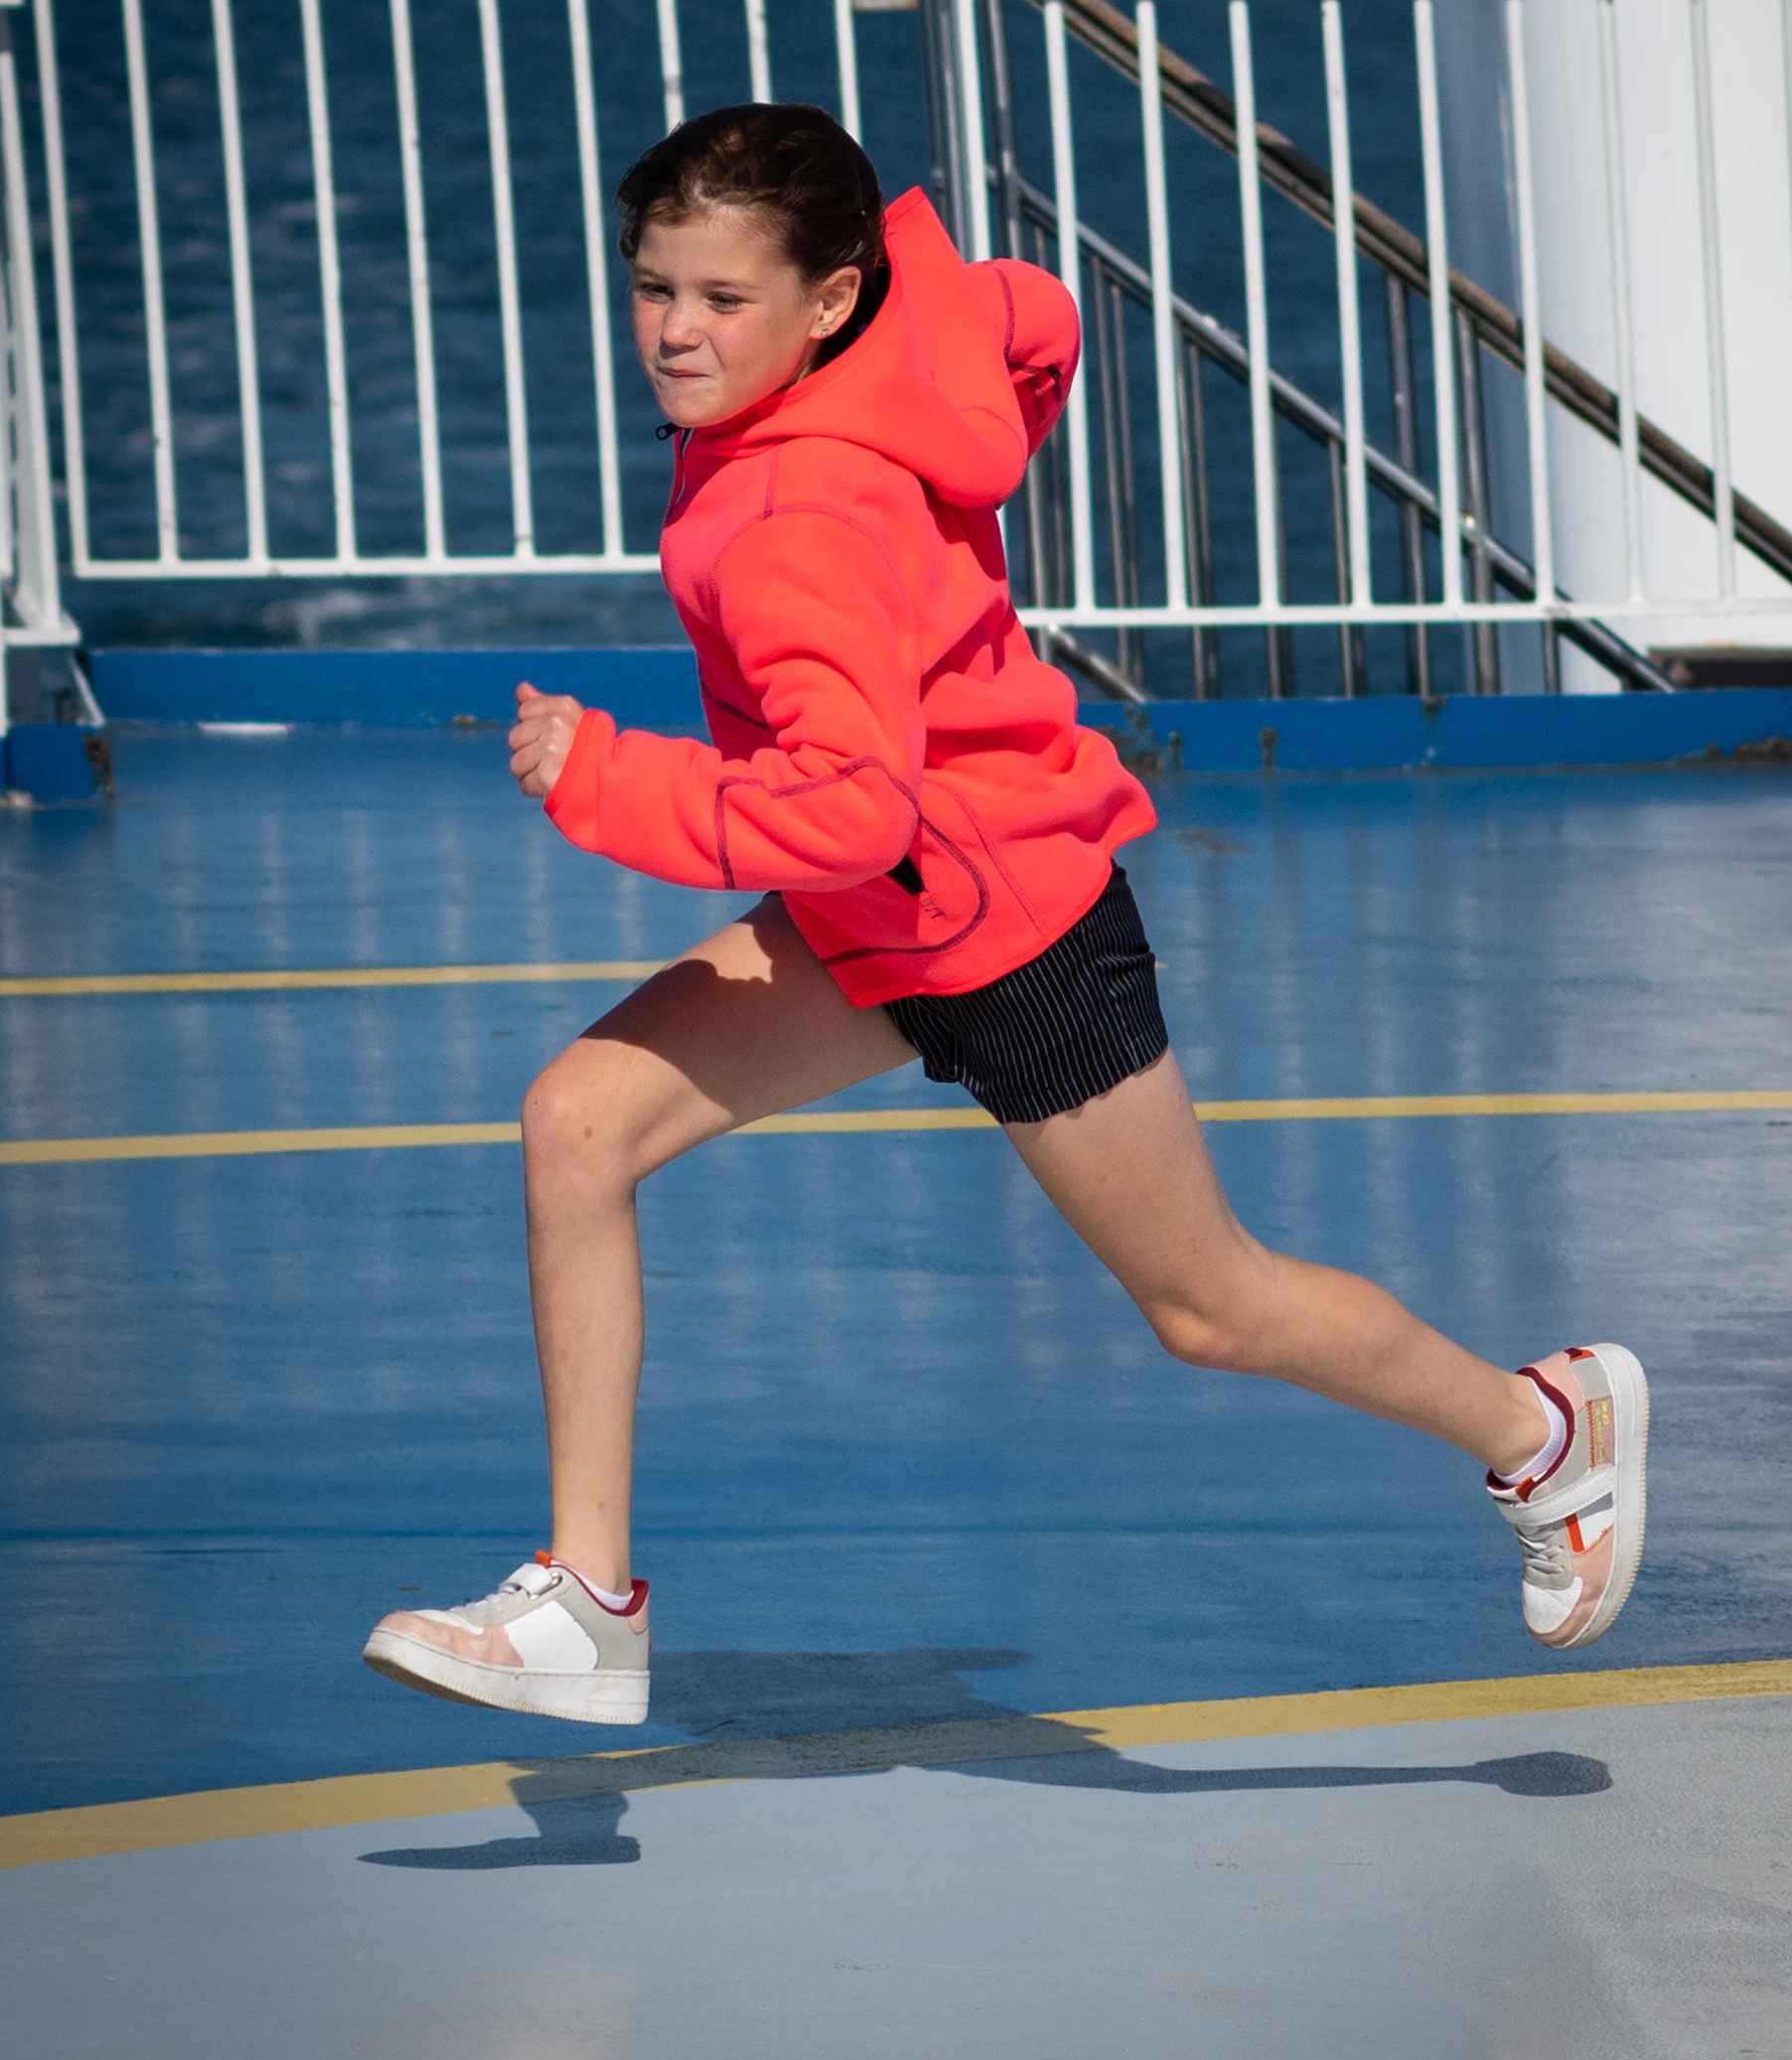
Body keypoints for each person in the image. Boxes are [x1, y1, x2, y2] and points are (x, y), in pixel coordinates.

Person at [364, 102, 1647, 1727]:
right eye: (654, 288)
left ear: (832, 298)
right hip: (878, 914)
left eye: (723, 298)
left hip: (1006, 929)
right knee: (578, 1122)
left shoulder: (798, 512)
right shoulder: (873, 369)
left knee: (1210, 1307)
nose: (677, 332)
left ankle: (1545, 1433)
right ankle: (585, 1607)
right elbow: (1025, 318)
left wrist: (606, 778)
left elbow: (848, 805)